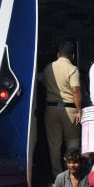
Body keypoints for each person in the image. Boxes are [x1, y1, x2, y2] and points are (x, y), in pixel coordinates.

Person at [39, 38, 83, 179]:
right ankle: (72, 172)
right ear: (73, 56)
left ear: (58, 54)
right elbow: (75, 89)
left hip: (51, 109)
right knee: (73, 140)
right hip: (70, 109)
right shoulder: (73, 69)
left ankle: (57, 175)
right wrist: (80, 110)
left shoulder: (48, 68)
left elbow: (44, 86)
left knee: (54, 144)